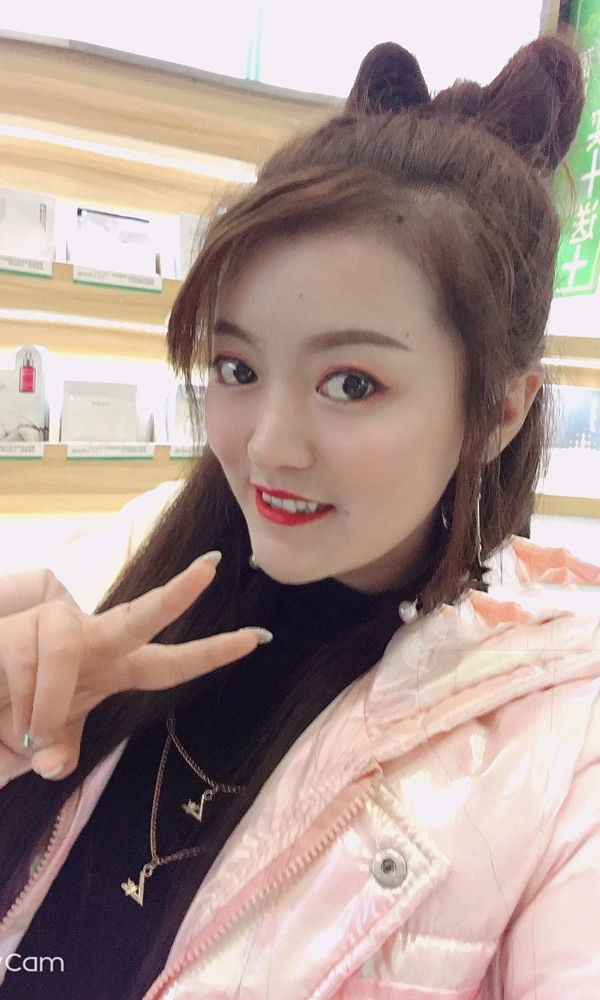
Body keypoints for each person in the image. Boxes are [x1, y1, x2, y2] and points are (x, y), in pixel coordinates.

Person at [0, 32, 599, 1000]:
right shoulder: (134, 555)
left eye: (351, 382)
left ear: (498, 411)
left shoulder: (560, 739)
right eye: (237, 367)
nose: (268, 447)